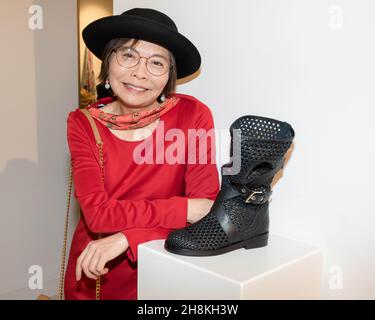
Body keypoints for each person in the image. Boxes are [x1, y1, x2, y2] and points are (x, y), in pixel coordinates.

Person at [64, 8, 220, 300]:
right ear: (108, 61)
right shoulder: (83, 123)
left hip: (165, 266)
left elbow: (206, 211)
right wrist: (185, 209)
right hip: (95, 272)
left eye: (157, 62)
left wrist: (129, 236)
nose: (140, 72)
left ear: (169, 76)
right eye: (128, 55)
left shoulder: (193, 115)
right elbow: (98, 216)